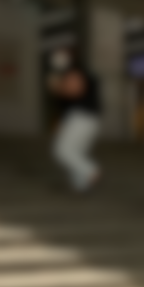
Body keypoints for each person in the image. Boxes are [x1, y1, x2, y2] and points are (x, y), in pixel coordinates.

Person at [48, 48, 101, 192]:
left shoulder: (74, 72)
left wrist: (57, 88)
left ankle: (90, 170)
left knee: (62, 151)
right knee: (77, 152)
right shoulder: (82, 73)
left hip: (80, 117)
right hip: (89, 119)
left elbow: (75, 91)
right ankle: (81, 185)